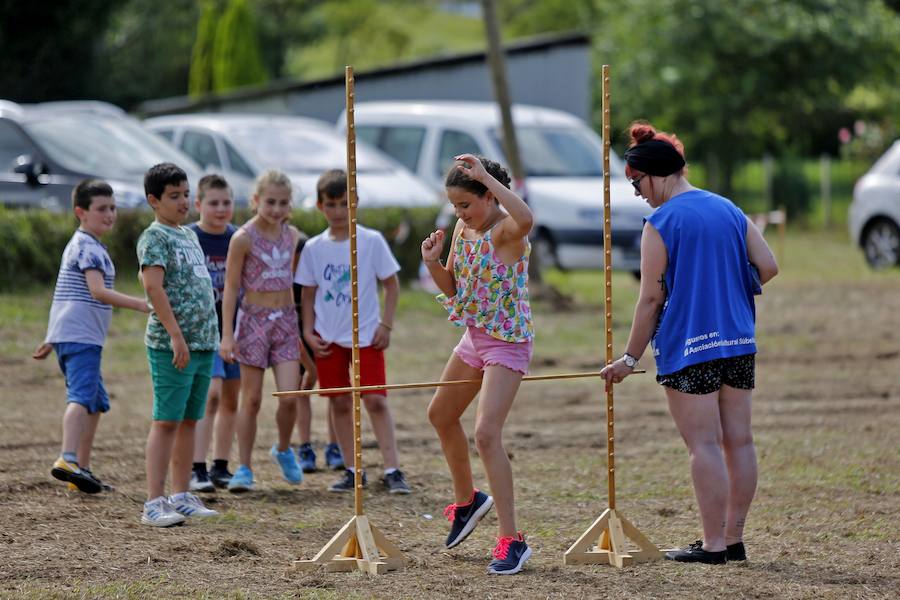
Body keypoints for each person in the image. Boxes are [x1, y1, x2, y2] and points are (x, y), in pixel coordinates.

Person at [599, 122, 779, 564]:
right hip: (738, 341)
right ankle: (733, 540)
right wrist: (724, 287)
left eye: (636, 182)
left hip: (690, 347)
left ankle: (713, 546)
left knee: (704, 446)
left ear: (657, 174)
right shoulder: (729, 209)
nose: (636, 192)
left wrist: (627, 358)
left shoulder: (660, 222)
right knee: (740, 441)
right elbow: (768, 266)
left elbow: (650, 298)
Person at [421, 154, 534, 575]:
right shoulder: (462, 230)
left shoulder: (507, 230)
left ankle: (512, 540)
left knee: (487, 434)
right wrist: (433, 262)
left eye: (466, 204)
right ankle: (468, 502)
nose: (459, 213)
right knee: (440, 414)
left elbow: (526, 216)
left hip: (508, 342)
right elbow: (453, 287)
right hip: (475, 336)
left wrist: (486, 174)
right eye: (454, 206)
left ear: (489, 195)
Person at [295, 169, 410, 494]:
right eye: (331, 204)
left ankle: (392, 469)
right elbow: (307, 293)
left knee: (375, 401)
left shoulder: (371, 241)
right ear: (320, 206)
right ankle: (351, 469)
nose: (338, 211)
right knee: (340, 403)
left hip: (367, 337)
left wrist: (386, 324)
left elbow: (391, 283)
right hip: (329, 340)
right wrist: (308, 330)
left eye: (345, 203)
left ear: (355, 202)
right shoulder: (314, 248)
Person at [34, 179, 150, 494]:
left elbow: (63, 293)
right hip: (82, 336)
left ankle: (81, 471)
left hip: (74, 334)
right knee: (82, 397)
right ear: (80, 212)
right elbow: (97, 292)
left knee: (96, 403)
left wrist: (52, 336)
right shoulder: (87, 246)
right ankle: (67, 458)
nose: (110, 214)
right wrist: (141, 304)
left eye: (112, 208)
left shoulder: (85, 244)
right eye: (101, 209)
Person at [137, 162, 220, 526]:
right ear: (154, 201)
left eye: (186, 195)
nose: (183, 202)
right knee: (166, 421)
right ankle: (154, 501)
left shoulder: (188, 235)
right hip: (173, 345)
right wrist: (175, 335)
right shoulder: (153, 237)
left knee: (190, 419)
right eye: (174, 196)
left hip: (203, 344)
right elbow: (153, 287)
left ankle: (181, 494)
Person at [219, 169, 304, 492]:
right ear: (256, 201)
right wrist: (227, 334)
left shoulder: (292, 235)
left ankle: (283, 448)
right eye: (270, 202)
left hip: (284, 320)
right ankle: (244, 467)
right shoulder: (242, 238)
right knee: (251, 399)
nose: (277, 209)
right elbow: (230, 287)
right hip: (252, 321)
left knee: (290, 396)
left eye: (283, 203)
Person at [187, 174, 240, 492]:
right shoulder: (189, 237)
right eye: (213, 203)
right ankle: (197, 468)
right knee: (211, 395)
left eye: (226, 202)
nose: (221, 209)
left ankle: (221, 465)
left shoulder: (238, 237)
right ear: (198, 204)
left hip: (235, 329)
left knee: (232, 398)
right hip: (204, 332)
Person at [291, 235, 345, 473]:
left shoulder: (321, 279)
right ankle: (304, 447)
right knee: (302, 391)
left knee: (335, 391)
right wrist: (309, 367)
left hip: (323, 339)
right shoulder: (284, 286)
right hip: (296, 344)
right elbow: (289, 328)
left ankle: (335, 446)